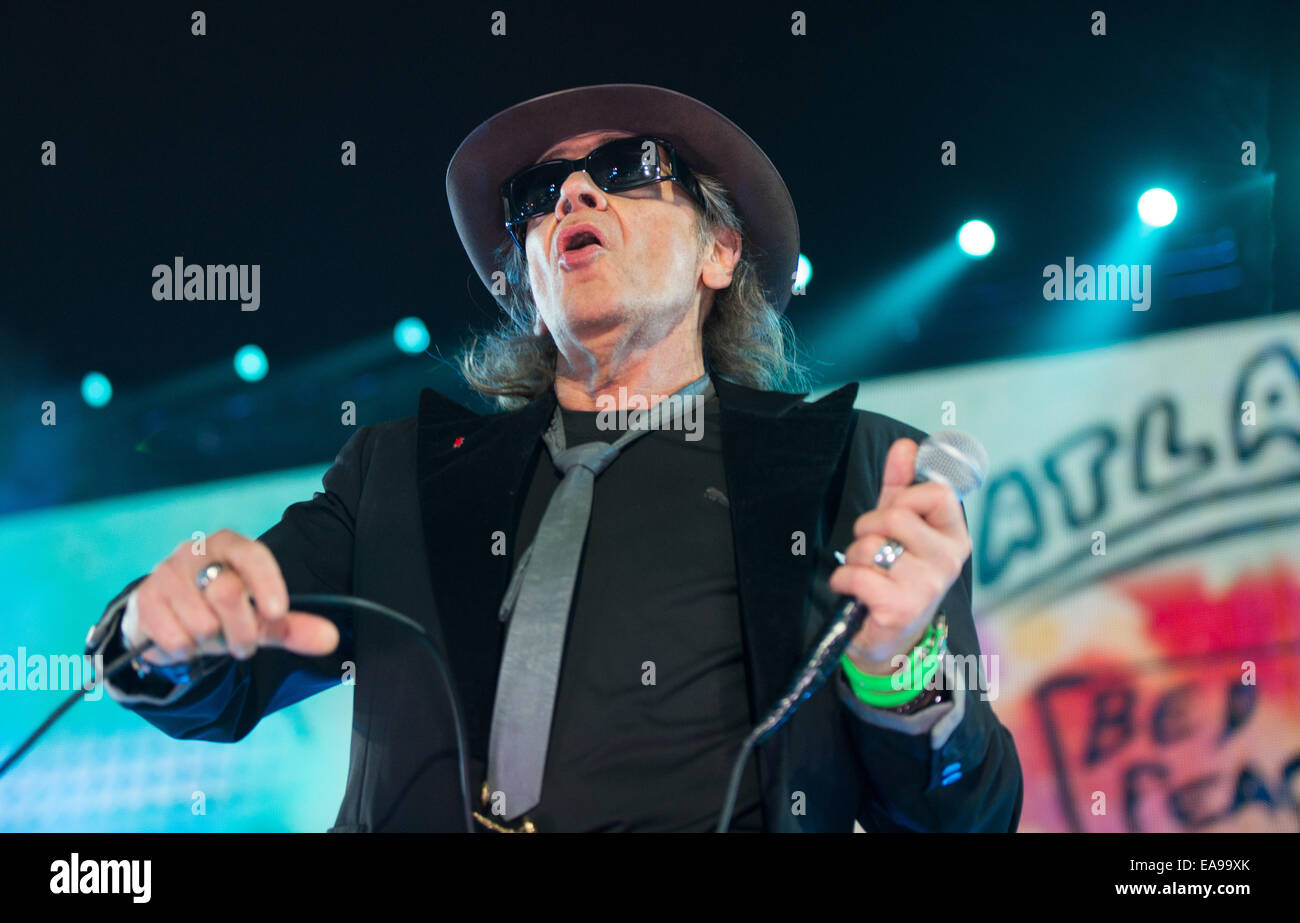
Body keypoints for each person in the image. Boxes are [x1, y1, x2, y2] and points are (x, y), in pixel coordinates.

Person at [85, 83, 1023, 832]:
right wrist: (160, 632)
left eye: (626, 169)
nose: (574, 195)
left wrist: (903, 673)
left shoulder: (856, 472)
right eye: (538, 197)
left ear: (720, 251)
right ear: (524, 288)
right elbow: (218, 678)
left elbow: (965, 816)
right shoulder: (395, 475)